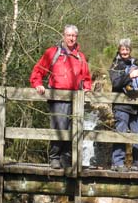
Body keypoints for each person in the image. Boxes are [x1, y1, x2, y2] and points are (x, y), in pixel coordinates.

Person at [29, 25, 92, 169]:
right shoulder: (53, 53)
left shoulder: (80, 57)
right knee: (60, 126)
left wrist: (87, 88)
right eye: (68, 35)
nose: (71, 38)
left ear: (76, 37)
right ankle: (54, 157)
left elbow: (86, 77)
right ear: (63, 36)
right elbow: (38, 70)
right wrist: (37, 84)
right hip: (57, 97)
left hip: (75, 99)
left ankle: (66, 159)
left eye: (74, 36)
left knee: (73, 128)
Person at [108, 38, 138, 172]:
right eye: (122, 49)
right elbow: (116, 83)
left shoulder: (135, 63)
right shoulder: (115, 65)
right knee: (121, 132)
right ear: (119, 50)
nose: (125, 52)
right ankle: (117, 162)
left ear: (130, 50)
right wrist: (130, 75)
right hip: (120, 105)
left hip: (135, 105)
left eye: (127, 49)